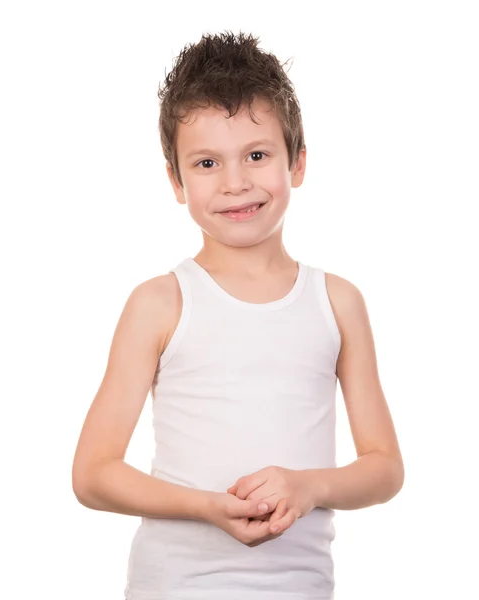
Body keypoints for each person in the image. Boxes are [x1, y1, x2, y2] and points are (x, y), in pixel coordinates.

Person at [72, 30, 405, 600]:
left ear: (297, 162)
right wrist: (205, 506)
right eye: (206, 163)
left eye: (256, 154)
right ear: (176, 181)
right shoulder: (159, 303)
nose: (235, 183)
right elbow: (94, 473)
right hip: (174, 587)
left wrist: (308, 487)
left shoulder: (337, 302)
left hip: (300, 588)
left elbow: (384, 467)